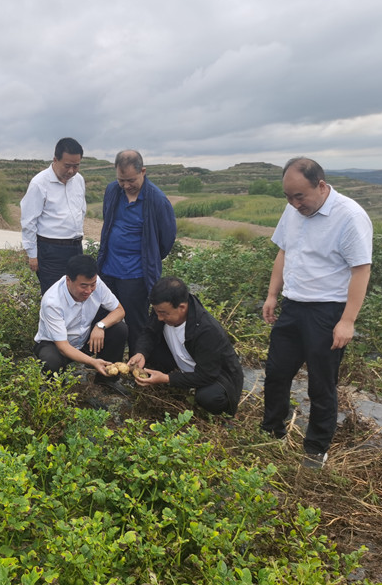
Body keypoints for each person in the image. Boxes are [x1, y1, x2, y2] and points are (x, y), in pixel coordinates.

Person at [261, 157, 373, 468]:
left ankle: (315, 449)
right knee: (277, 373)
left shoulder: (349, 216)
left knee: (321, 384)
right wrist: (273, 295)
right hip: (293, 305)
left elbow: (361, 270)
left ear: (321, 186)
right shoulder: (292, 210)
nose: (295, 203)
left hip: (327, 311)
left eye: (300, 196)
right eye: (288, 196)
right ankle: (272, 431)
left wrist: (347, 321)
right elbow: (284, 250)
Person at [128, 277, 244, 416]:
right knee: (146, 352)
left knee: (209, 397)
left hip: (215, 375)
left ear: (182, 307)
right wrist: (141, 352)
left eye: (163, 313)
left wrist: (167, 378)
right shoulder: (162, 308)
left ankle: (220, 412)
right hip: (184, 362)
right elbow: (149, 332)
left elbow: (207, 375)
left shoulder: (207, 330)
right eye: (156, 311)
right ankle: (176, 380)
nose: (159, 317)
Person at [98, 150, 176, 354]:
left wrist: (149, 259)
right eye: (121, 180)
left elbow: (166, 239)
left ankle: (136, 364)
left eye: (130, 180)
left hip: (135, 274)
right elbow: (108, 222)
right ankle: (109, 365)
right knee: (107, 318)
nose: (125, 185)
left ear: (143, 171)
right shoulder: (112, 191)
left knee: (136, 322)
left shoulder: (157, 200)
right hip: (108, 269)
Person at [33, 254, 128, 378]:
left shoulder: (96, 283)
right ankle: (57, 392)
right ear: (68, 280)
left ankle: (107, 380)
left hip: (84, 338)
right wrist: (93, 362)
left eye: (92, 285)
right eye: (83, 286)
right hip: (56, 344)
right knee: (51, 360)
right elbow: (63, 347)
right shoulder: (52, 302)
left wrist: (100, 326)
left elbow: (119, 310)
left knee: (120, 329)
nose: (89, 290)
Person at [20, 137, 87, 294]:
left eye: (76, 166)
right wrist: (33, 255)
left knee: (76, 294)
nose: (71, 171)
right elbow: (29, 221)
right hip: (51, 251)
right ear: (55, 160)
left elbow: (81, 210)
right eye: (67, 166)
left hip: (76, 248)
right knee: (54, 295)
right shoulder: (39, 183)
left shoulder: (79, 180)